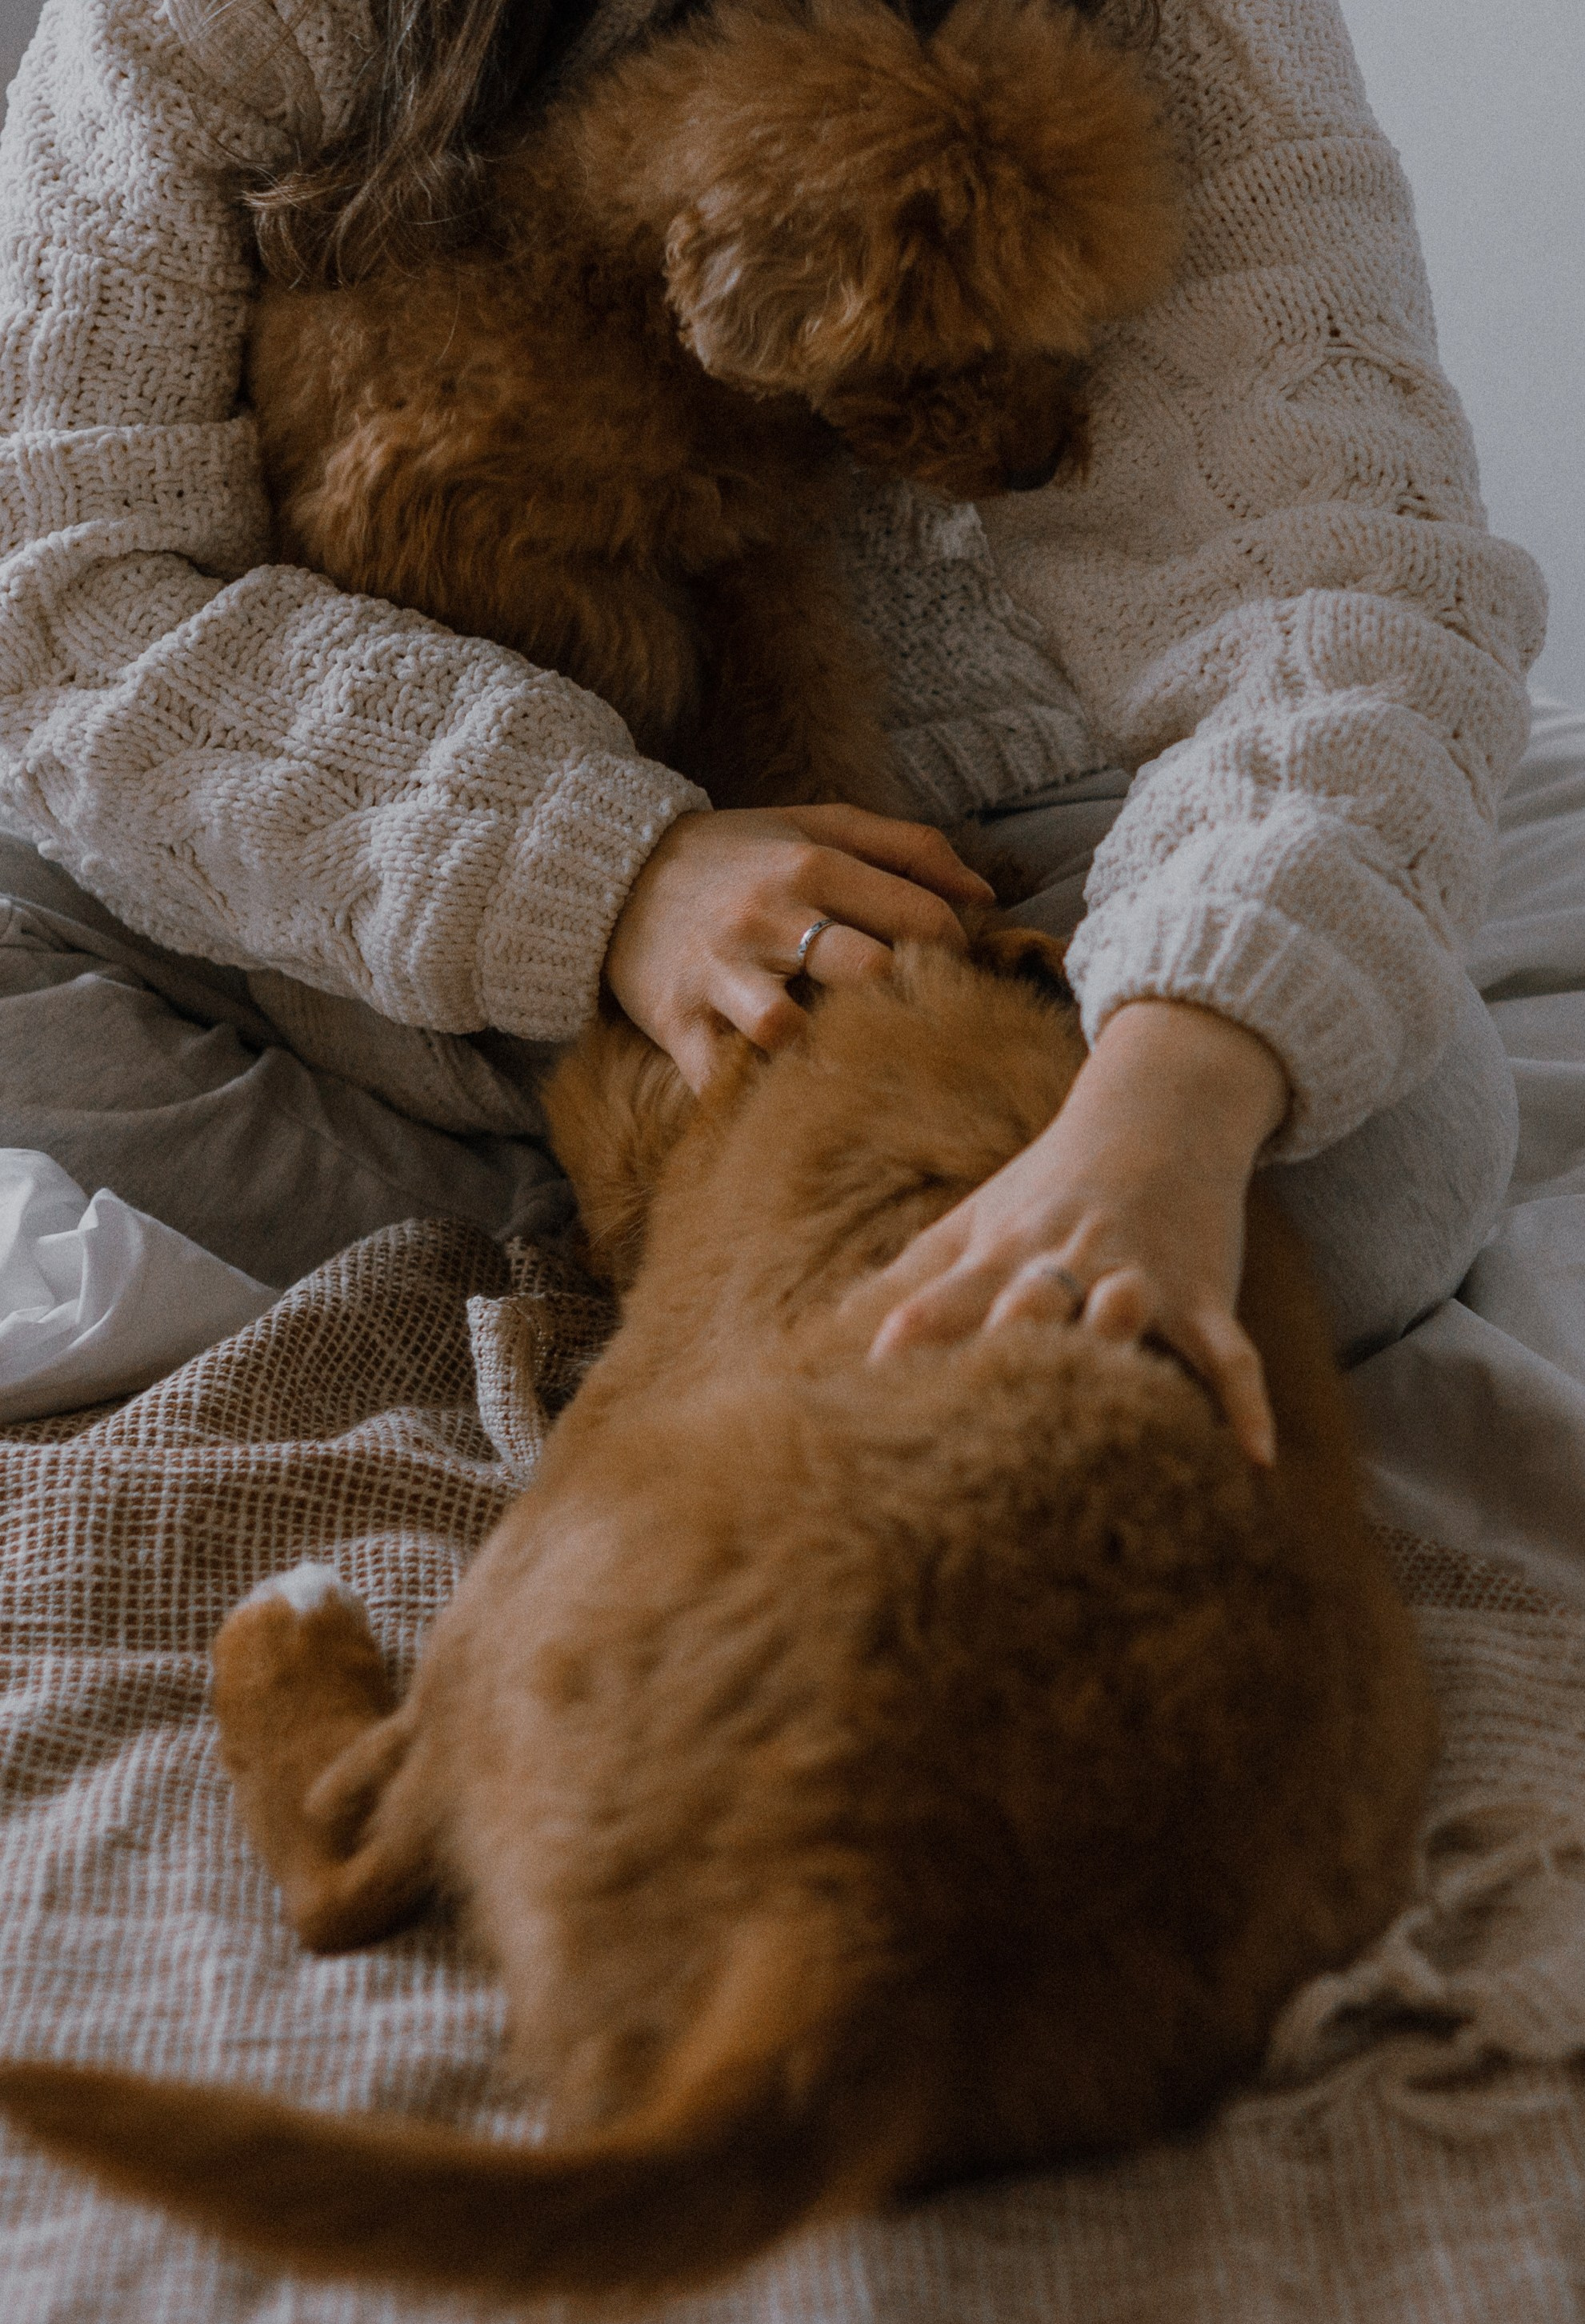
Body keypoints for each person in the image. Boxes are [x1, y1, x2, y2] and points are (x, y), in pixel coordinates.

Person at [0, 0, 1545, 1462]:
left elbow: (1349, 568)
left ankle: (704, 1232)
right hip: (342, 881)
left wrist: (1163, 1120)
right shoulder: (206, 34)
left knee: (1377, 1161)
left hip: (958, 863)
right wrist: (610, 869)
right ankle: (716, 1235)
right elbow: (67, 582)